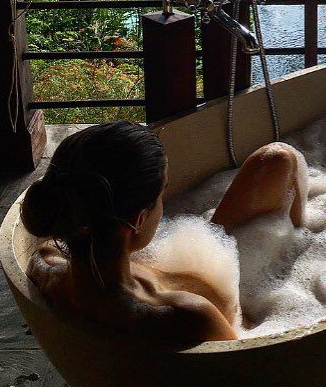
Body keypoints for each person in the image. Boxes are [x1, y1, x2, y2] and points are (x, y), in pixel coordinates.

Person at [21, 121, 307, 346]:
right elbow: (244, 364)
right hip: (245, 307)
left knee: (277, 158)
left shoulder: (48, 262)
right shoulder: (189, 317)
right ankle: (301, 236)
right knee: (283, 159)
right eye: (162, 194)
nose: (162, 205)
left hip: (210, 271)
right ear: (138, 219)